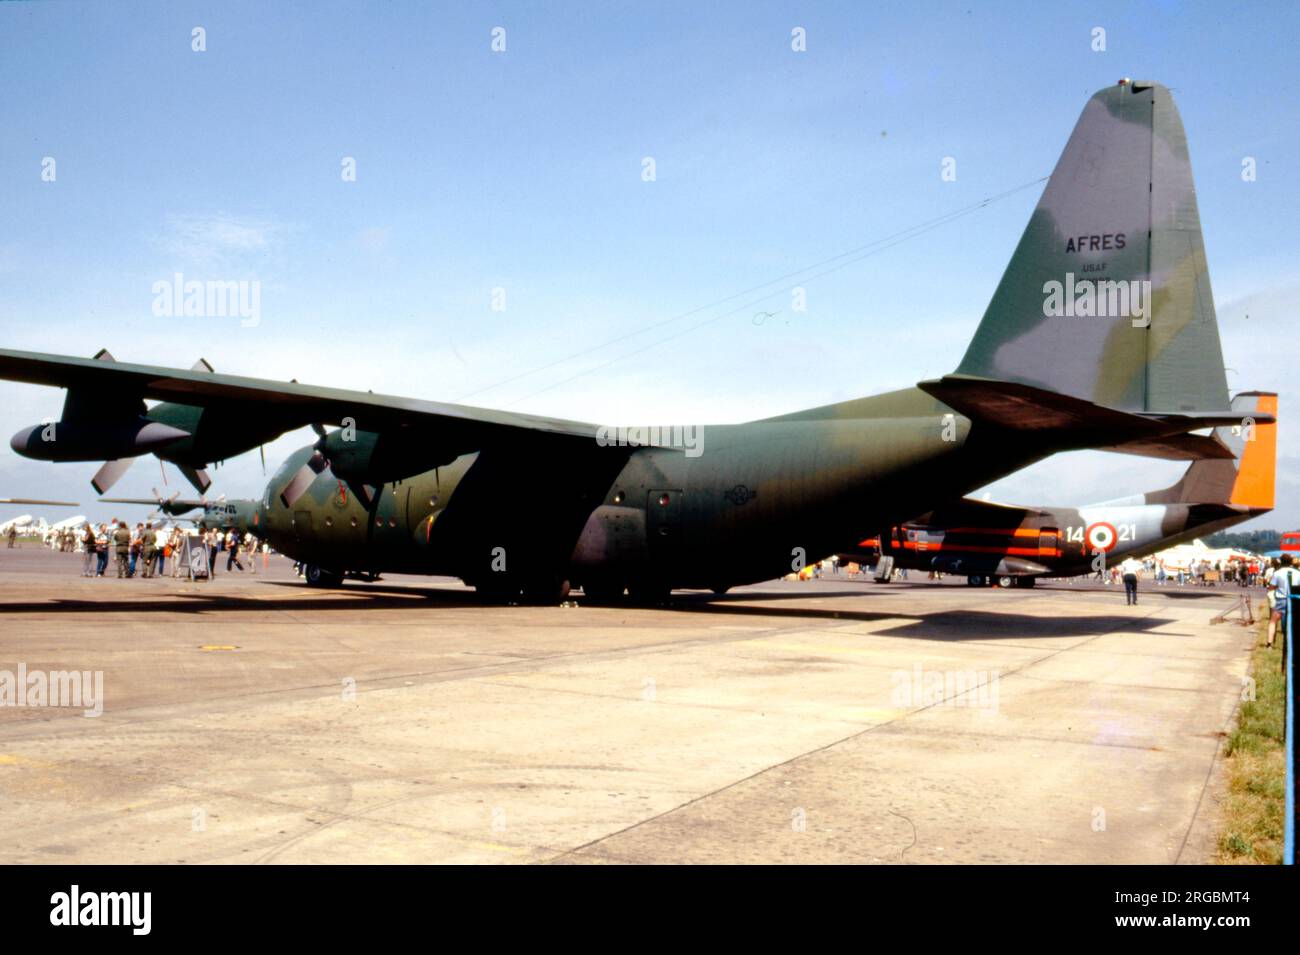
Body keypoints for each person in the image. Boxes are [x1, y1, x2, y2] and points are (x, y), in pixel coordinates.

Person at [1266, 556, 1300, 650]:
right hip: (1294, 600)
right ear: (1291, 562)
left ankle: (1269, 644)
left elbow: (1271, 587)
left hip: (1281, 599)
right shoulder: (1297, 573)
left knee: (1273, 621)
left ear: (1281, 562)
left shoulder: (1277, 573)